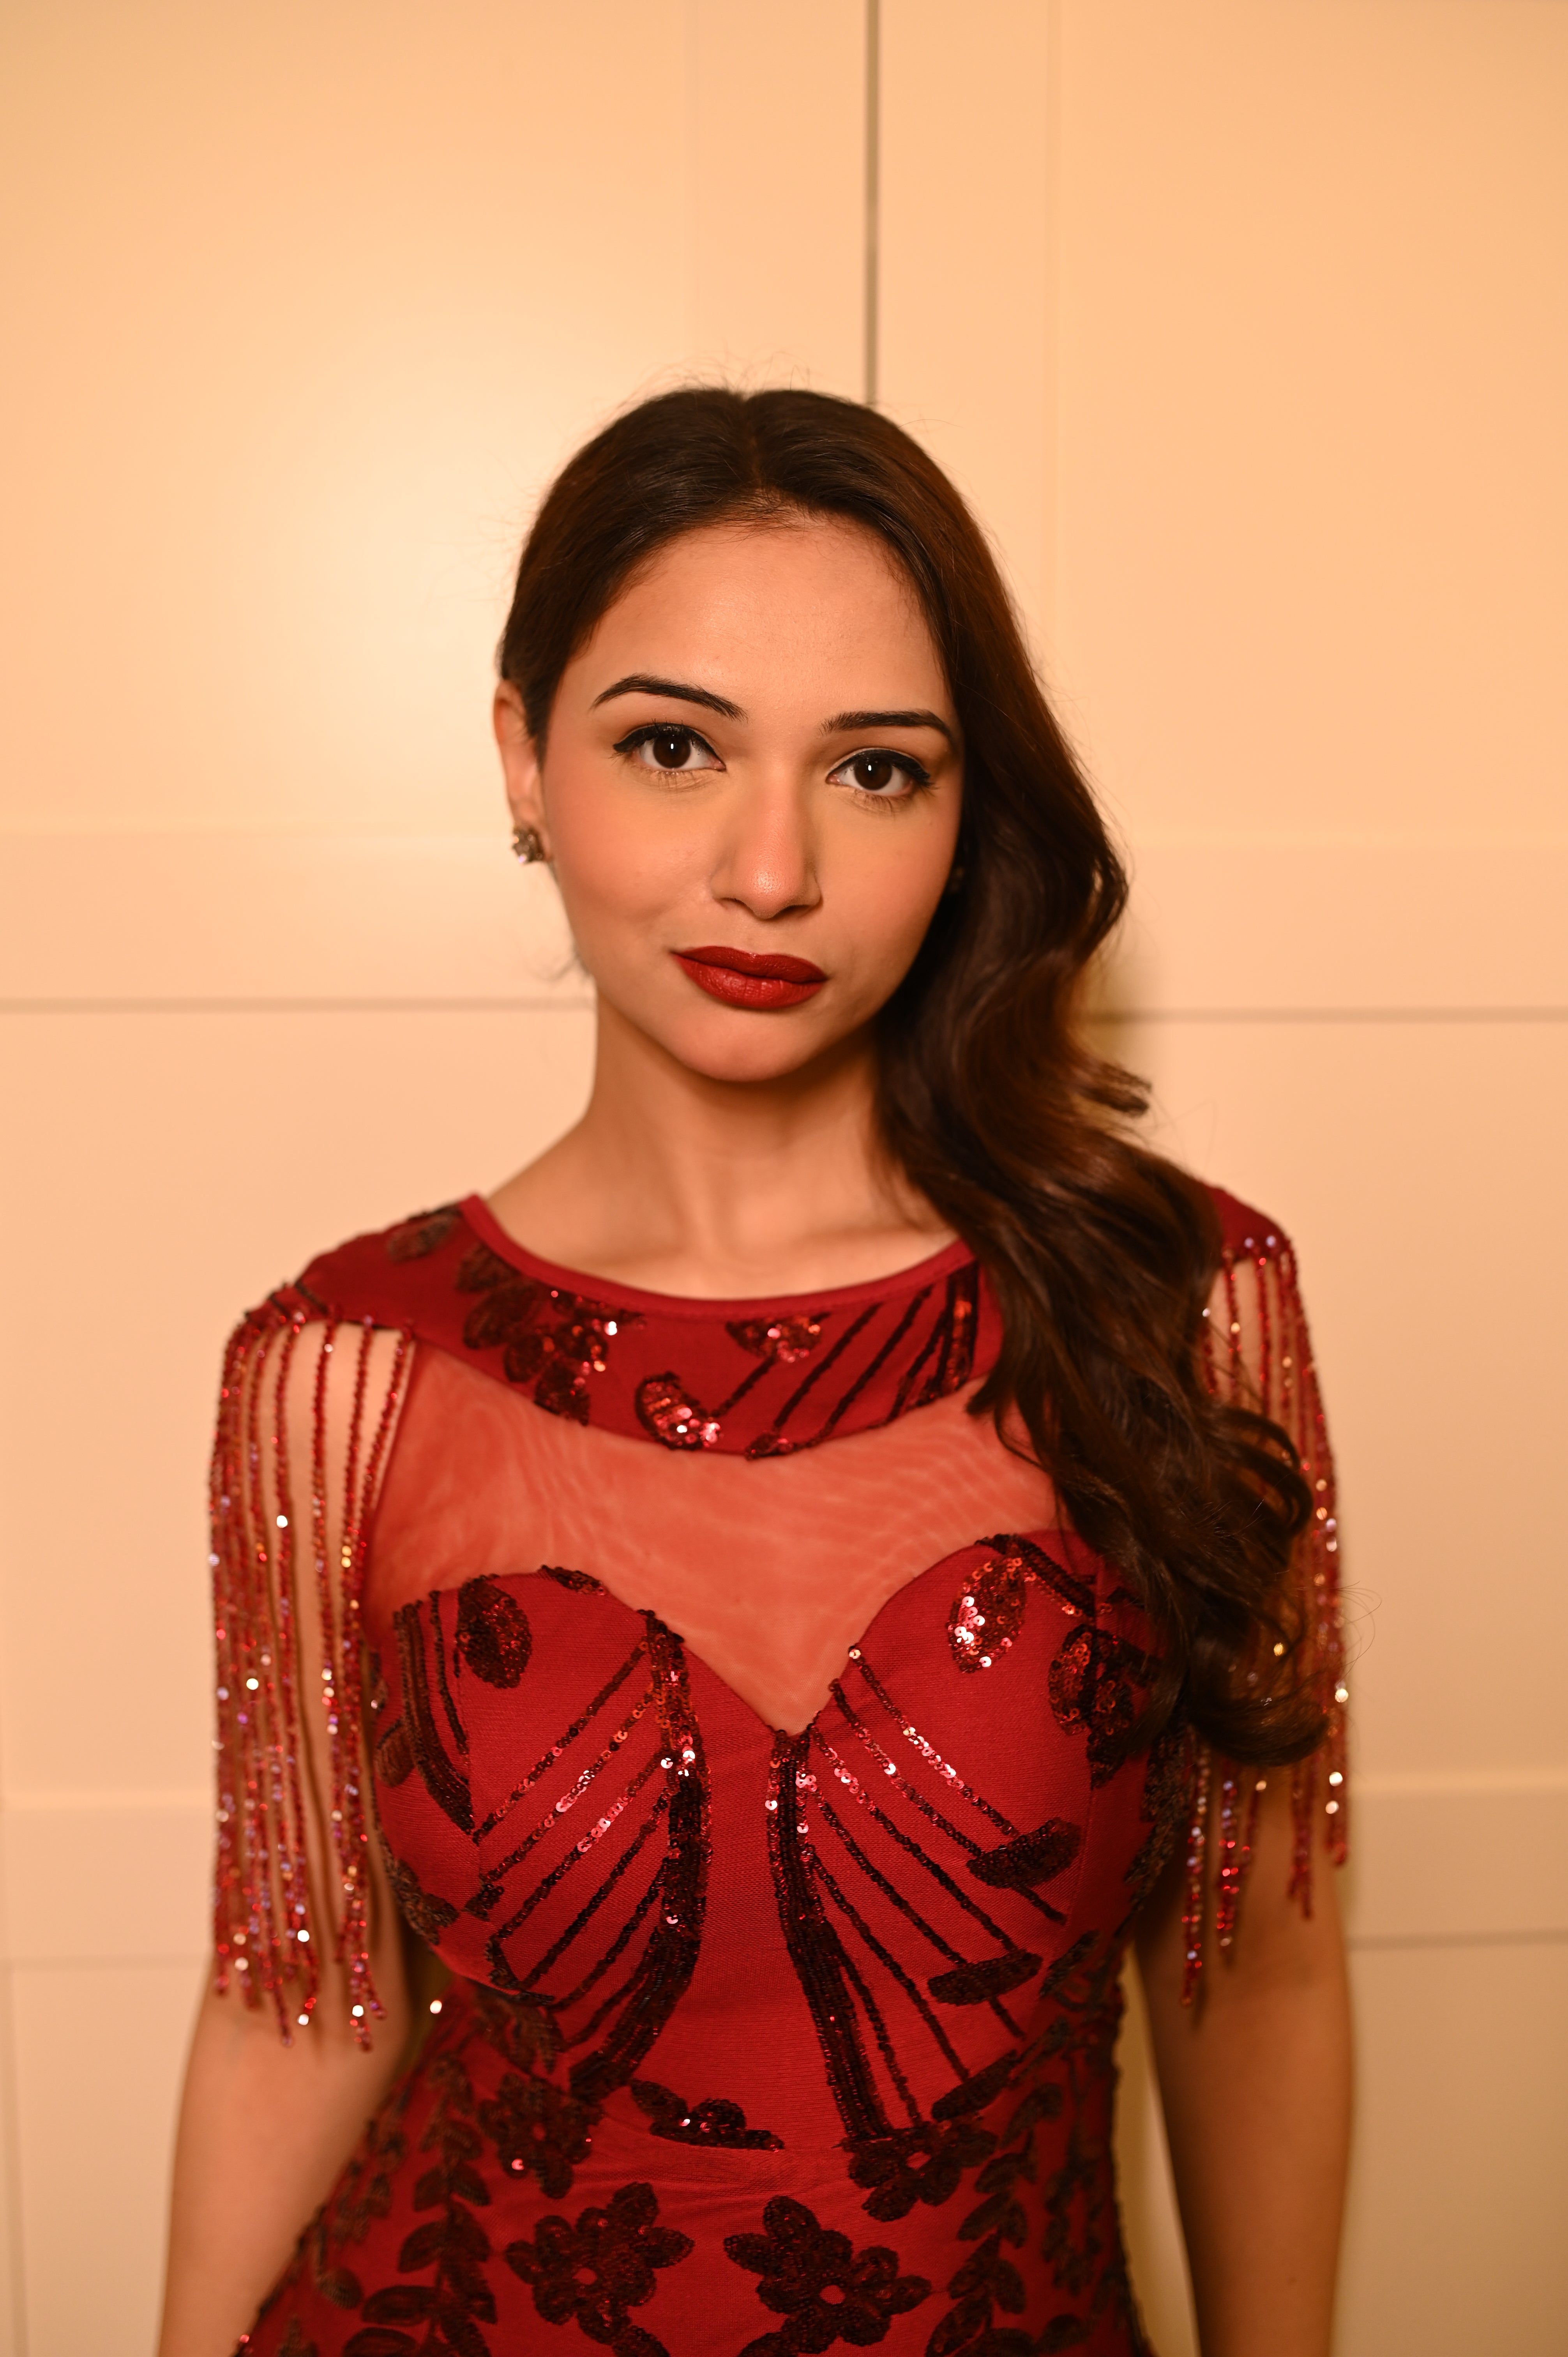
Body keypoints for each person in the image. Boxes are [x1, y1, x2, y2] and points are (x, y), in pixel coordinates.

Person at [157, 387, 1351, 2357]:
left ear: (969, 815)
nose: (772, 867)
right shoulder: (337, 1373)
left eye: (876, 772)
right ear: (523, 758)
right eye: (671, 748)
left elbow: (1262, 1979)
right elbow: (299, 2007)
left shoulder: (1184, 1303)